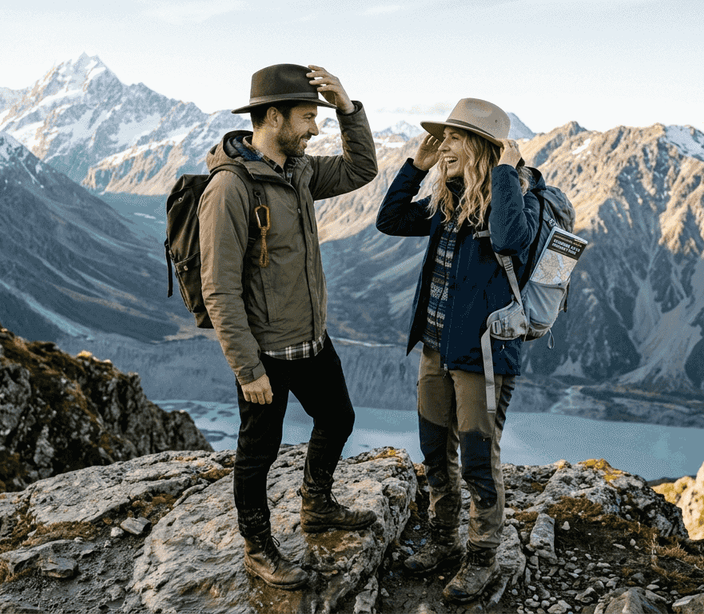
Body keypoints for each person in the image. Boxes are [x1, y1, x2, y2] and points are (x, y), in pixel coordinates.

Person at [198, 63, 379, 589]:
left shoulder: (298, 171)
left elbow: (360, 169)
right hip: (266, 355)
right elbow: (219, 288)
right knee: (259, 452)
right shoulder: (230, 188)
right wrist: (247, 367)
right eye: (307, 117)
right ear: (273, 117)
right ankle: (258, 547)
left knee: (338, 418)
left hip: (311, 341)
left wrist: (347, 108)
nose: (314, 129)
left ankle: (315, 504)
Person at [375, 98, 540, 603]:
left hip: (484, 357)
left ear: (479, 147)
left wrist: (509, 175)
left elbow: (513, 241)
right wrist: (415, 167)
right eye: (440, 137)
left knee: (476, 459)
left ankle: (483, 555)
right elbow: (390, 219)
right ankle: (444, 540)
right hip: (435, 348)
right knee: (433, 451)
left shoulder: (516, 198)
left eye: (452, 138)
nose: (442, 144)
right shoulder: (449, 202)